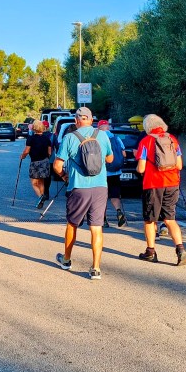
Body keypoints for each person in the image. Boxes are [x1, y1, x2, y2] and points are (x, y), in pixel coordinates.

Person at [52, 107, 114, 280]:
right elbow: (110, 159)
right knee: (96, 228)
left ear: (76, 121)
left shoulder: (69, 137)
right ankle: (95, 268)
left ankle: (66, 260)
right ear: (92, 119)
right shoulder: (102, 135)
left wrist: (65, 176)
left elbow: (57, 166)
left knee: (72, 224)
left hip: (78, 187)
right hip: (100, 187)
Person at [135, 114, 186, 266]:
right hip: (172, 183)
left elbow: (141, 168)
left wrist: (138, 167)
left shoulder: (146, 141)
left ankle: (150, 252)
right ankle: (181, 249)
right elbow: (179, 165)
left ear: (147, 127)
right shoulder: (172, 139)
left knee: (150, 220)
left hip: (153, 184)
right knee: (170, 219)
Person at [97, 120, 127, 227]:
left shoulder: (98, 138)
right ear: (108, 127)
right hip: (116, 172)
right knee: (115, 195)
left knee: (102, 197)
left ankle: (104, 220)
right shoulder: (116, 138)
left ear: (99, 128)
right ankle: (119, 212)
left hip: (102, 173)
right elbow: (124, 154)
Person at [20, 119, 52, 208]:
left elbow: (26, 151)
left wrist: (22, 156)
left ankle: (40, 197)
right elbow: (49, 152)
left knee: (34, 182)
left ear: (34, 128)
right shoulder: (47, 138)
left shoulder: (31, 138)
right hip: (45, 161)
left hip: (35, 162)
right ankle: (42, 198)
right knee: (41, 181)